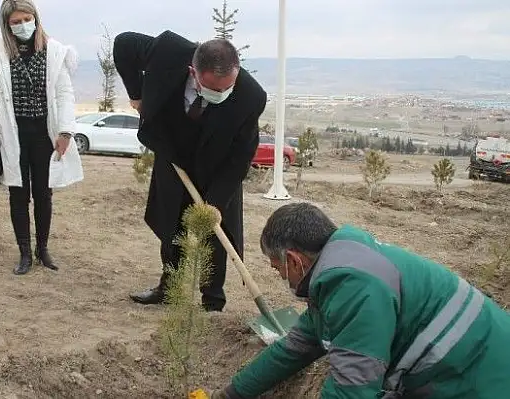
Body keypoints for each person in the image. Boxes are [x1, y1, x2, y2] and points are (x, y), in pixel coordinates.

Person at [210, 202, 510, 399]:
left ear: (294, 260)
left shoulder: (354, 286)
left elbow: (352, 390)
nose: (280, 276)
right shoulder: (342, 268)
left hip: (483, 378)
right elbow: (293, 349)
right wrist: (232, 394)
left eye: (277, 269)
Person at [113, 30, 267, 312]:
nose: (221, 94)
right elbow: (123, 44)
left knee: (216, 229)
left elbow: (240, 157)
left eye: (227, 88)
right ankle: (169, 288)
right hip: (173, 153)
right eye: (213, 88)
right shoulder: (168, 50)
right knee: (173, 222)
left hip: (218, 166)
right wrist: (137, 94)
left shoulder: (251, 96)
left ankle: (212, 300)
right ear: (193, 72)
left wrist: (216, 203)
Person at [0, 0, 81, 275]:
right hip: (13, 133)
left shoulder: (54, 51)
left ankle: (42, 249)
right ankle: (24, 253)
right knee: (18, 194)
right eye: (16, 21)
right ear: (6, 24)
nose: (22, 25)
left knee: (44, 194)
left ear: (36, 18)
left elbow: (64, 94)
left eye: (27, 18)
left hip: (44, 134)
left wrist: (65, 131)